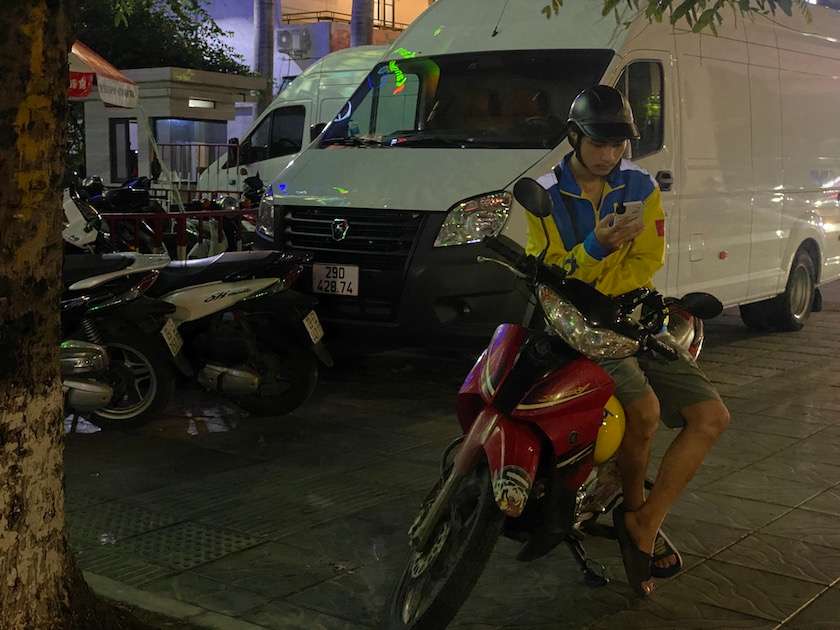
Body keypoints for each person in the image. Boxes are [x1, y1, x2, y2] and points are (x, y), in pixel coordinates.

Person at [525, 85, 730, 595]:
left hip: (636, 316)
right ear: (574, 137)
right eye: (599, 143)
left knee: (712, 417)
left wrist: (600, 275)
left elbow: (648, 260)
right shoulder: (545, 193)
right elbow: (551, 272)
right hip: (577, 324)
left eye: (619, 144)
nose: (610, 154)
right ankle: (635, 511)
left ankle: (643, 519)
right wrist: (597, 247)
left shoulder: (640, 185)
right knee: (645, 414)